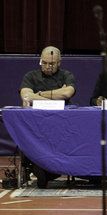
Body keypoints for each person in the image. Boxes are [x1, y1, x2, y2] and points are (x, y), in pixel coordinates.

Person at [19, 46, 76, 188]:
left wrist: (39, 95)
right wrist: (56, 96)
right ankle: (38, 167)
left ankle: (50, 171)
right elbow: (26, 96)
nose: (47, 66)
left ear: (59, 63)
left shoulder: (66, 75)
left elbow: (67, 94)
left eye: (51, 64)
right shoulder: (30, 76)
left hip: (61, 123)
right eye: (44, 63)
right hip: (36, 123)